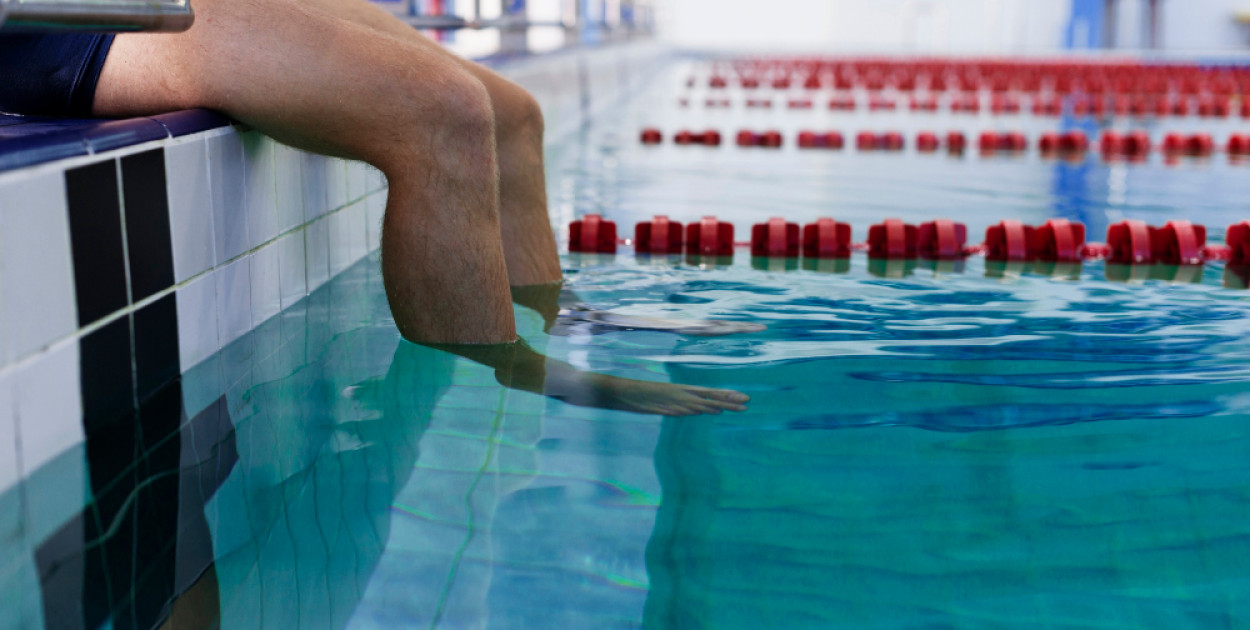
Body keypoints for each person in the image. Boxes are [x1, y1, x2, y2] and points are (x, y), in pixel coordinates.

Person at [0, 0, 761, 415]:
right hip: (56, 20)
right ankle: (516, 368)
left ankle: (552, 310)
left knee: (514, 112)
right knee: (443, 109)